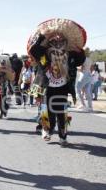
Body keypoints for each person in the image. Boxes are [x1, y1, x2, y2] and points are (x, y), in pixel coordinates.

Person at [28, 18, 86, 146]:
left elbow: (80, 60)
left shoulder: (69, 54)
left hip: (62, 87)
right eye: (55, 39)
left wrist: (80, 51)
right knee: (46, 110)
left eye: (61, 39)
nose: (58, 41)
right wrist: (44, 35)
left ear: (65, 41)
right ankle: (46, 130)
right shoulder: (43, 54)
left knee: (62, 113)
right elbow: (33, 50)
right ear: (49, 42)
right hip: (47, 87)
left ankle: (63, 135)